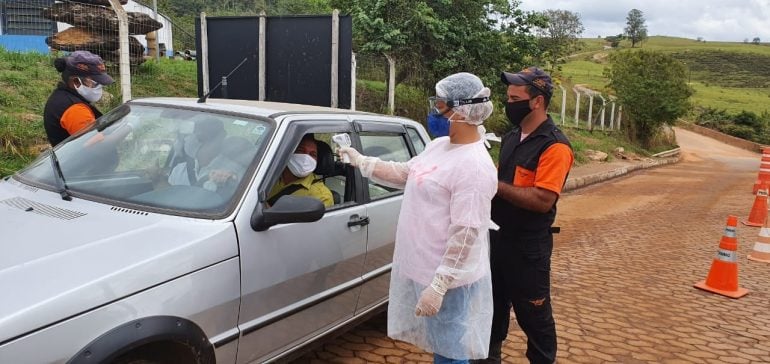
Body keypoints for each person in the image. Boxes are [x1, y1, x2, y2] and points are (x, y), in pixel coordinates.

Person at [339, 72, 498, 363]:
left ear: (461, 110)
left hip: (448, 279)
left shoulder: (474, 167)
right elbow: (408, 173)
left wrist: (439, 286)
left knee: (451, 351)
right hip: (422, 267)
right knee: (441, 344)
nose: (433, 112)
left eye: (439, 106)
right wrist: (361, 161)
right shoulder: (440, 146)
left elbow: (466, 233)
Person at [476, 67, 574, 364]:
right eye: (508, 97)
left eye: (515, 97)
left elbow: (543, 199)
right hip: (496, 241)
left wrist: (494, 184)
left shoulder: (555, 146)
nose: (509, 103)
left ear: (537, 101)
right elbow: (501, 183)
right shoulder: (511, 137)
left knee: (535, 318)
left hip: (528, 250)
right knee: (490, 311)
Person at [43, 50, 114, 146]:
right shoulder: (75, 109)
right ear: (75, 81)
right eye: (95, 82)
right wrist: (129, 129)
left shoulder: (62, 96)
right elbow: (97, 144)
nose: (99, 87)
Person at [267, 134, 334, 208]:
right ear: (287, 153)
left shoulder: (321, 197)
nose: (305, 158)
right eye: (300, 150)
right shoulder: (268, 177)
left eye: (313, 154)